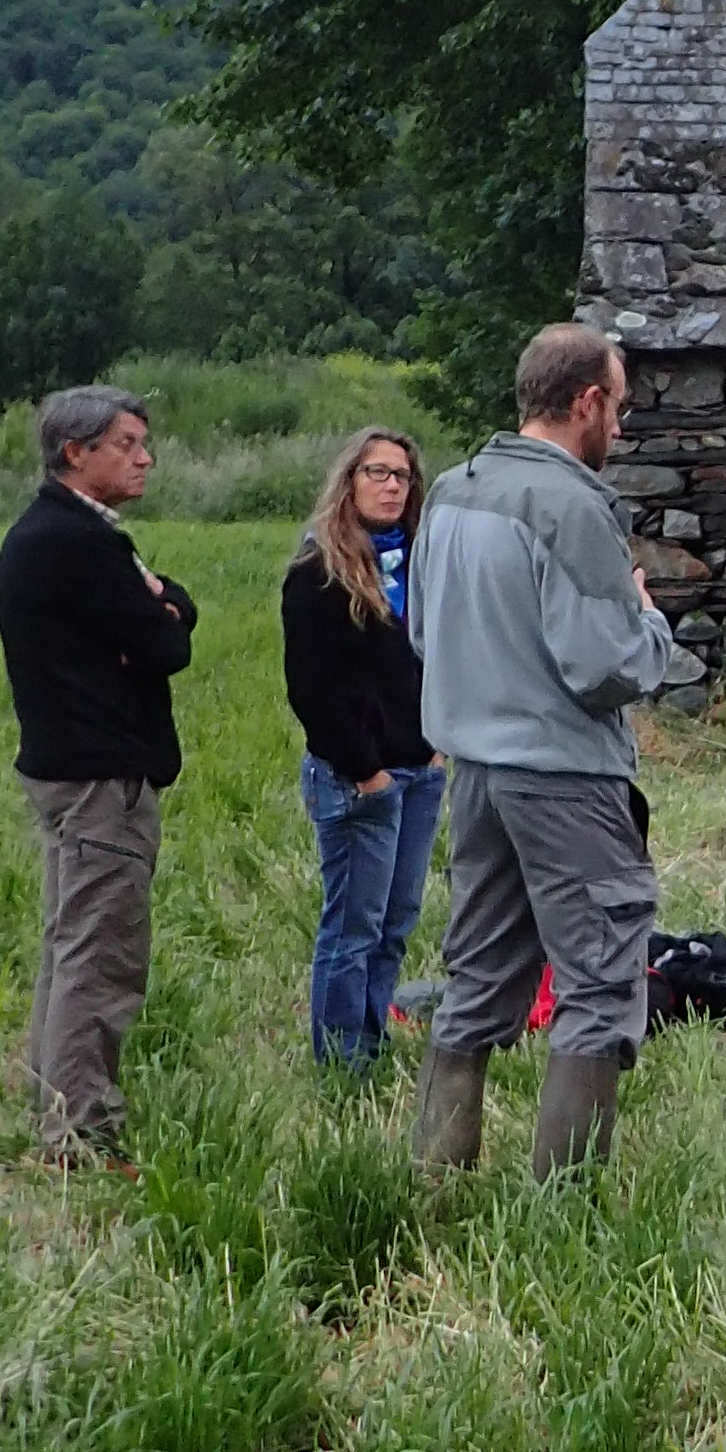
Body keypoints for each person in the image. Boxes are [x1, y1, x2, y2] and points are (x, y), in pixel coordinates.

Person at [408, 323, 675, 1179]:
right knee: (598, 989)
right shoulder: (572, 506)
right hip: (565, 780)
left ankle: (436, 1184)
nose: (621, 432)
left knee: (477, 980)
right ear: (587, 401)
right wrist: (650, 620)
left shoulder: (450, 491)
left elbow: (422, 633)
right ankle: (563, 1219)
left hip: (475, 775)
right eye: (620, 409)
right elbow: (606, 666)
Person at [0, 386, 198, 1161]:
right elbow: (167, 645)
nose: (145, 458)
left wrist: (164, 604)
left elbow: (166, 616)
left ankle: (51, 1087)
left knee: (68, 936)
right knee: (100, 950)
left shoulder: (53, 533)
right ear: (76, 452)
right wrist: (159, 616)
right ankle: (80, 1127)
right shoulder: (80, 544)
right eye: (128, 443)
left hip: (67, 765)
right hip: (99, 774)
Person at [282, 426, 447, 1067]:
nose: (390, 486)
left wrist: (435, 744)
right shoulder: (320, 571)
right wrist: (365, 769)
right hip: (359, 776)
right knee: (354, 926)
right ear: (348, 481)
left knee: (398, 921)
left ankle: (373, 1041)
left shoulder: (417, 563)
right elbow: (311, 689)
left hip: (421, 766)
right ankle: (340, 1058)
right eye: (376, 472)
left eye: (401, 476)